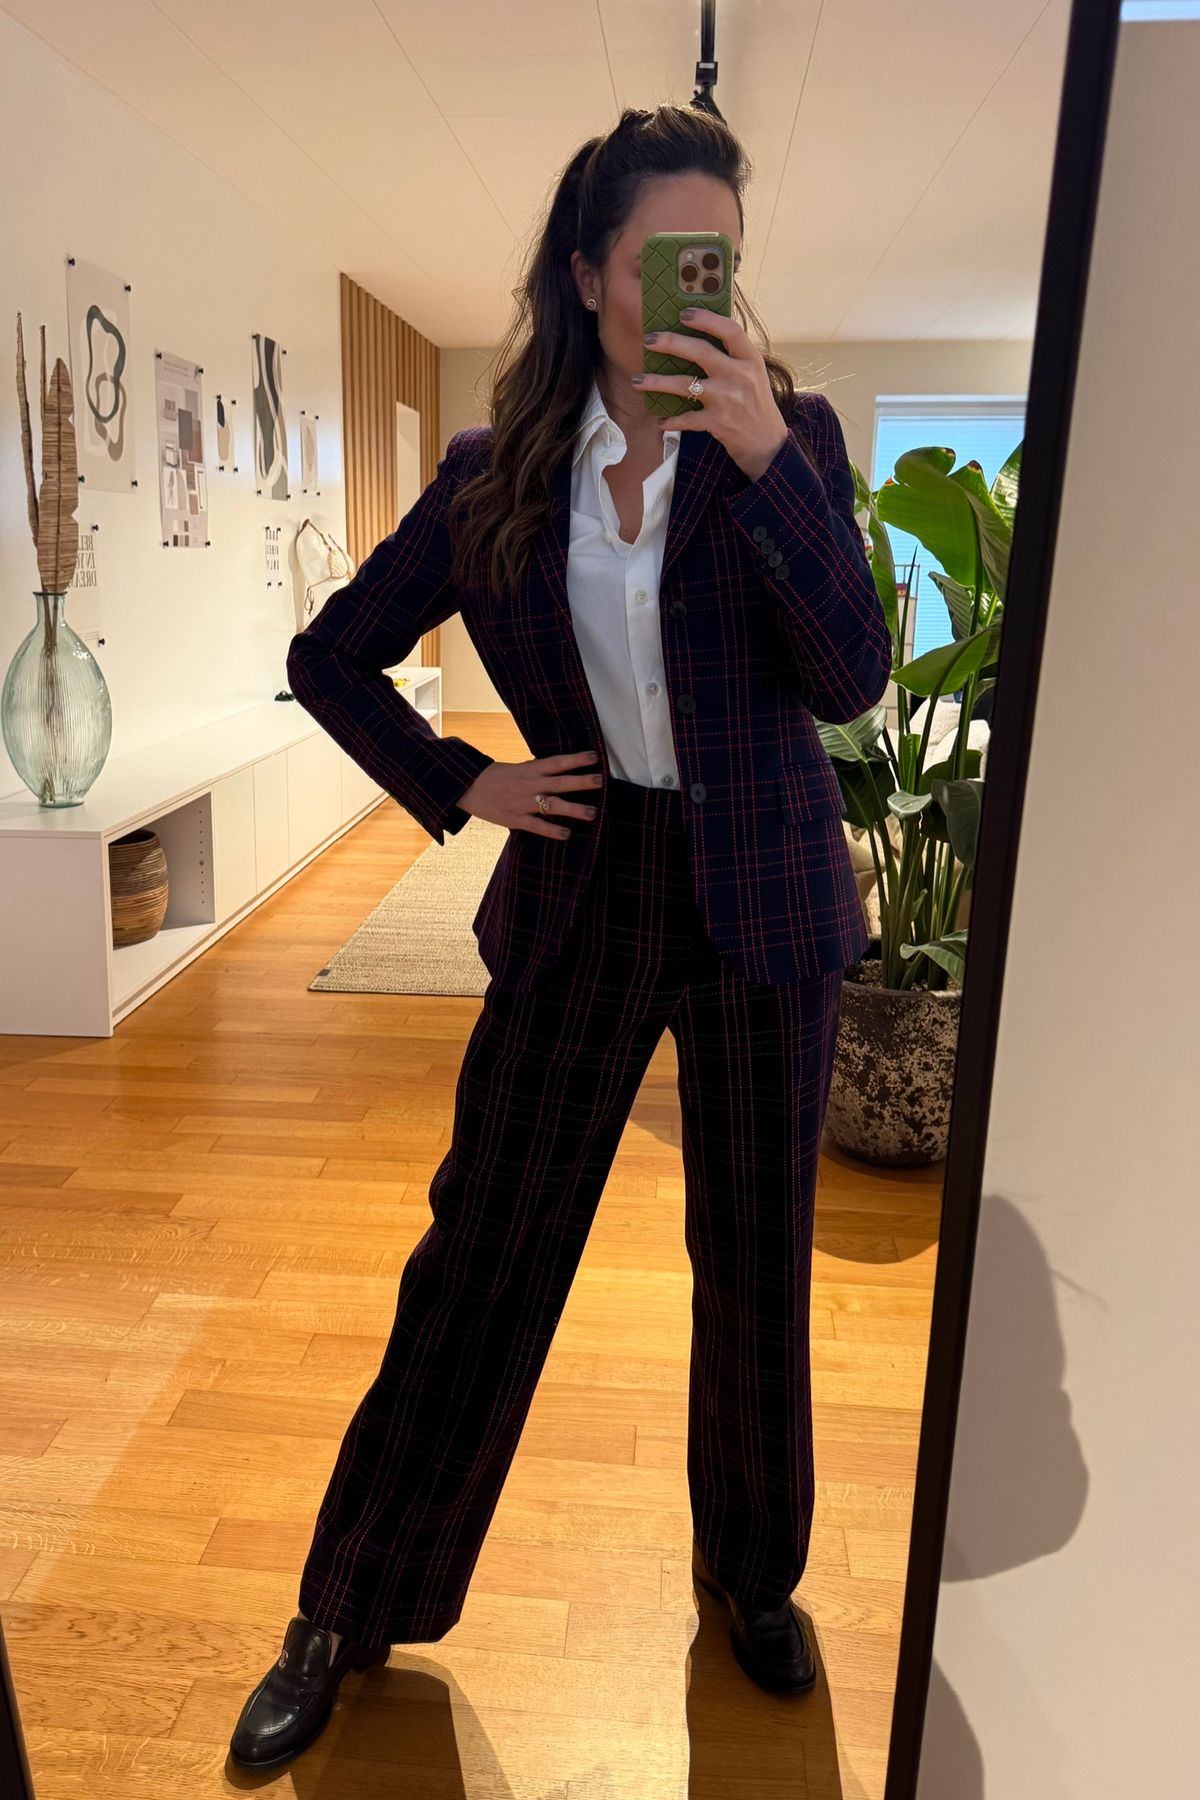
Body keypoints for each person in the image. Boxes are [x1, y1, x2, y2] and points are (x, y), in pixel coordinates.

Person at [230, 104, 891, 1771]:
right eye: (665, 257)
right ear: (590, 271)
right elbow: (328, 657)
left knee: (756, 1266)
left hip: (765, 897)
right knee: (484, 1251)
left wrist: (764, 462)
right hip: (588, 876)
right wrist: (466, 781)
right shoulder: (496, 474)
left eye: (719, 259)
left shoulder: (790, 437)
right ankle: (346, 1605)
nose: (694, 289)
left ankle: (753, 1579)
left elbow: (852, 676)